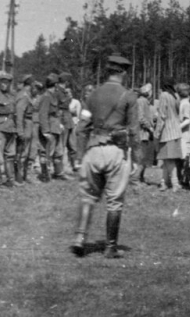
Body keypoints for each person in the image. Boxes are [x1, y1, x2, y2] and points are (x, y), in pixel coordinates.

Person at [71, 55, 138, 259]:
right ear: (124, 73)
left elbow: (81, 128)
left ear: (107, 71)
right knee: (114, 200)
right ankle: (110, 247)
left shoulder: (92, 95)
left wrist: (80, 157)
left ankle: (79, 239)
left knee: (88, 196)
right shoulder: (129, 96)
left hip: (93, 150)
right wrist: (135, 158)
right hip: (116, 151)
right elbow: (134, 131)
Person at [155, 77, 183, 192]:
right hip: (175, 131)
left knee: (169, 160)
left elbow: (162, 115)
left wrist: (157, 132)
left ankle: (175, 183)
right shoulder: (175, 96)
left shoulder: (164, 96)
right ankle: (164, 182)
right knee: (167, 160)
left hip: (167, 131)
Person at [0, 70, 17, 187]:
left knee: (10, 155)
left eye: (6, 82)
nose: (4, 84)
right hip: (1, 127)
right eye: (2, 82)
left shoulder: (13, 96)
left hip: (11, 128)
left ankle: (10, 179)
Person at [132, 83, 156, 186]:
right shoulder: (141, 101)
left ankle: (140, 177)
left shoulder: (146, 102)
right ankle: (135, 179)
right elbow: (140, 117)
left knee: (144, 157)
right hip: (142, 133)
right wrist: (149, 127)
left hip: (145, 133)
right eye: (150, 90)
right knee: (141, 158)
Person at [14, 74, 35, 184]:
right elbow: (19, 114)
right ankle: (19, 176)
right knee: (22, 152)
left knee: (26, 151)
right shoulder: (24, 96)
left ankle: (23, 176)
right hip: (25, 124)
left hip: (28, 124)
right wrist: (20, 131)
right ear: (30, 84)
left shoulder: (27, 95)